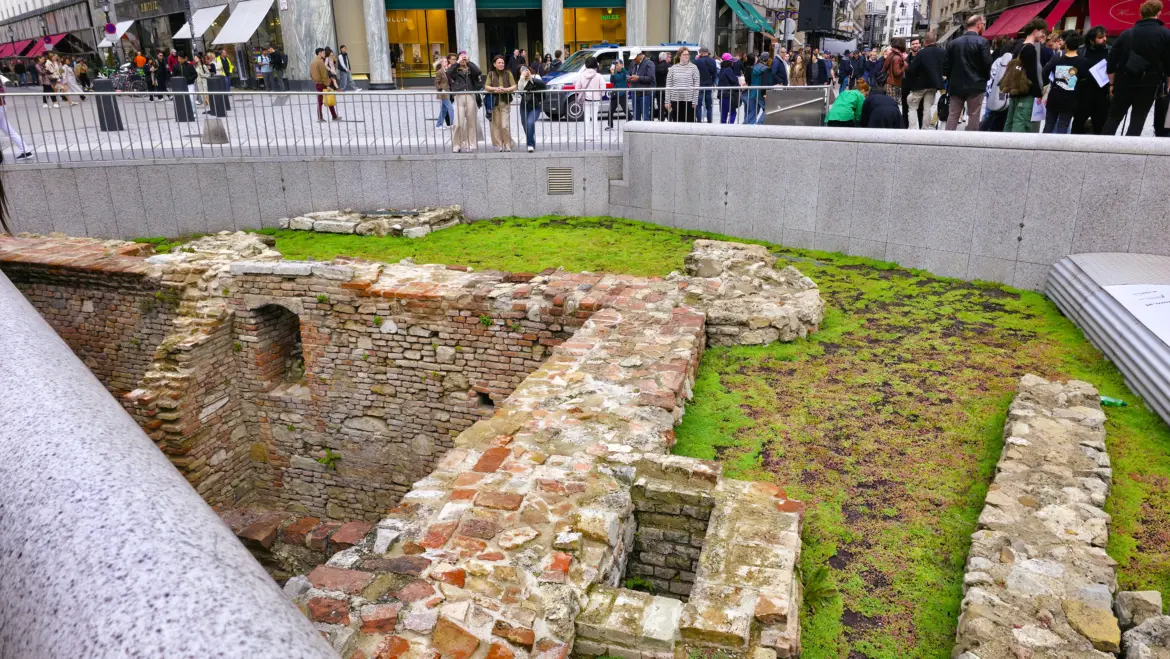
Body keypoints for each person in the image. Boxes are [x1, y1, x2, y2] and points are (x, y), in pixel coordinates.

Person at [1102, 0, 1170, 136]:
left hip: (1124, 80)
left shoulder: (1126, 34)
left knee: (1114, 116)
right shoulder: (1165, 34)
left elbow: (1111, 61)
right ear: (1158, 13)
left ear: (1141, 14)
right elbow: (1169, 63)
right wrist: (1168, 84)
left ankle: (1101, 148)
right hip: (1149, 82)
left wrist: (1112, 83)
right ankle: (1129, 151)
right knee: (1138, 118)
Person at [944, 14, 995, 130]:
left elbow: (946, 65)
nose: (984, 27)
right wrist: (984, 78)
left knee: (953, 116)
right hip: (976, 85)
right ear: (978, 25)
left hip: (956, 84)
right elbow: (987, 64)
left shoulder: (953, 43)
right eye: (983, 24)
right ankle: (970, 143)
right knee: (974, 115)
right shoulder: (983, 42)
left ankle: (946, 140)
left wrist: (951, 78)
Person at [1004, 18, 1049, 132]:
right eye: (1042, 32)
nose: (1043, 35)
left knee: (1010, 121)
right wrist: (1038, 92)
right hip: (1026, 91)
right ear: (1035, 31)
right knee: (1021, 122)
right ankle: (1016, 148)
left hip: (1015, 89)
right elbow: (1031, 73)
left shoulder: (1019, 46)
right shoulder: (1030, 49)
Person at [1041, 30, 1088, 133]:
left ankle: (1042, 147)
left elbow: (1044, 72)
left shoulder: (1057, 58)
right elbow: (1085, 79)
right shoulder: (1083, 61)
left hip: (1054, 95)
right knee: (1063, 125)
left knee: (1048, 125)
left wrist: (1048, 84)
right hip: (1070, 98)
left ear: (1065, 45)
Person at [1072, 26, 1111, 134]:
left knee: (1100, 124)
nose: (1104, 39)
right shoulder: (1081, 50)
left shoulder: (1109, 50)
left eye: (1105, 36)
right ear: (1091, 39)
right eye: (1100, 37)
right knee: (1078, 122)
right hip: (1083, 92)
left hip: (1102, 93)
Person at [906, 32, 944, 129]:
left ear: (925, 42)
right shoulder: (942, 52)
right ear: (934, 41)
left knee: (913, 107)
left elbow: (912, 70)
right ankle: (925, 129)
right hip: (933, 85)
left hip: (919, 84)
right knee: (927, 108)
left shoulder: (921, 53)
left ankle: (913, 129)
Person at [447, 51, 480, 152]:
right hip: (459, 96)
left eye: (465, 58)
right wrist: (457, 62)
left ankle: (471, 144)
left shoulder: (471, 69)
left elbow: (478, 72)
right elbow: (449, 72)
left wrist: (469, 62)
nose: (463, 60)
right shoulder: (455, 70)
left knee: (471, 122)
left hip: (470, 95)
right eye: (462, 58)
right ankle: (457, 144)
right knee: (458, 123)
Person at [484, 54, 516, 151]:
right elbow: (486, 86)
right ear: (494, 64)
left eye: (502, 62)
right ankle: (500, 145)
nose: (501, 64)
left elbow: (514, 86)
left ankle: (508, 144)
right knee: (496, 125)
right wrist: (495, 89)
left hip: (505, 102)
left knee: (504, 125)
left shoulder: (508, 73)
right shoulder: (491, 74)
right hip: (494, 103)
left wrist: (506, 90)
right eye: (499, 63)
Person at [663, 46, 700, 123]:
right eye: (684, 54)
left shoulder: (694, 68)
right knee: (677, 122)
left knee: (690, 122)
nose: (686, 56)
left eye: (688, 54)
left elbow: (697, 85)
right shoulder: (672, 68)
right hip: (675, 100)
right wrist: (667, 101)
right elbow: (668, 85)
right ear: (679, 56)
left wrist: (695, 101)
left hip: (689, 100)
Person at [0, 81, 32, 160]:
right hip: (2, 107)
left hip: (0, 106)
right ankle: (26, 151)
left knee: (10, 131)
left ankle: (26, 151)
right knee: (9, 131)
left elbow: (1, 91)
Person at [517, 65, 546, 152]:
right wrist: (522, 77)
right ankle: (531, 140)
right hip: (524, 105)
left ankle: (530, 145)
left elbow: (543, 85)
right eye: (522, 71)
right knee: (525, 124)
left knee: (530, 122)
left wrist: (531, 78)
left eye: (526, 69)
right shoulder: (521, 80)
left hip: (535, 105)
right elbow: (520, 90)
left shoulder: (536, 77)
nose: (525, 72)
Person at [577, 55, 605, 139]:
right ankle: (595, 135)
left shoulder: (581, 75)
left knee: (586, 117)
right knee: (594, 117)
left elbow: (577, 87)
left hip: (586, 99)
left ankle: (587, 135)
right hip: (595, 99)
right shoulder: (599, 76)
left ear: (586, 65)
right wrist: (600, 95)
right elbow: (603, 88)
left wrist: (581, 93)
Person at [310, 47, 339, 123]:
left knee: (320, 101)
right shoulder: (321, 62)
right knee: (326, 99)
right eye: (323, 53)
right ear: (319, 53)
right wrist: (328, 85)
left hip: (317, 83)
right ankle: (332, 116)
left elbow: (311, 74)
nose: (324, 54)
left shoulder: (313, 62)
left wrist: (315, 80)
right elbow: (324, 74)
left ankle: (328, 116)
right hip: (323, 83)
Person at [881, 38, 907, 113]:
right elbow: (897, 72)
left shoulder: (891, 55)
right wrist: (904, 67)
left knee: (889, 104)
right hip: (894, 84)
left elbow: (884, 68)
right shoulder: (897, 57)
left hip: (890, 83)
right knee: (893, 105)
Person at [628, 51, 655, 120]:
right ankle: (637, 130)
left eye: (635, 58)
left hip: (644, 94)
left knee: (645, 117)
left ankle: (645, 130)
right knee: (636, 117)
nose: (633, 60)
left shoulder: (649, 63)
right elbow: (628, 74)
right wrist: (629, 78)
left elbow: (651, 78)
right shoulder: (633, 63)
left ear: (639, 55)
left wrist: (638, 78)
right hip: (635, 92)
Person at [694, 47, 718, 123]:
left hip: (699, 84)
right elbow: (715, 73)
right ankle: (709, 120)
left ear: (702, 52)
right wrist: (713, 82)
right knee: (709, 104)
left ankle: (699, 120)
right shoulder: (713, 61)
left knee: (698, 104)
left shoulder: (698, 61)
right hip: (708, 84)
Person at [717, 54, 741, 123]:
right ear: (729, 62)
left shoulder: (722, 70)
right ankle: (730, 127)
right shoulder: (728, 70)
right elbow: (734, 81)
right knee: (733, 112)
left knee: (723, 114)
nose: (732, 62)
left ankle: (723, 128)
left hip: (722, 95)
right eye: (731, 61)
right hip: (728, 95)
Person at [607, 59, 628, 129]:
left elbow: (626, 74)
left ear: (622, 65)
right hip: (615, 95)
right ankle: (610, 125)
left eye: (618, 65)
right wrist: (612, 73)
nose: (617, 67)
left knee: (626, 110)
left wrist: (621, 67)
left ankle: (630, 123)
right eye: (616, 66)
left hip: (622, 94)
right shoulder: (615, 74)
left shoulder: (624, 72)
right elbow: (611, 81)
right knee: (610, 111)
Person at [434, 55, 454, 128]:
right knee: (450, 108)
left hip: (447, 91)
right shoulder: (439, 72)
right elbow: (436, 82)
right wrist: (440, 89)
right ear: (441, 63)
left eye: (446, 61)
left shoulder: (446, 70)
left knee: (444, 110)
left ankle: (438, 125)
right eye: (445, 61)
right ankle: (453, 124)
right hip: (443, 93)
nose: (446, 62)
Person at [654, 52, 671, 120]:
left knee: (660, 105)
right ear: (666, 58)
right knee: (669, 105)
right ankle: (670, 118)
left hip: (659, 89)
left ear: (659, 58)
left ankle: (661, 118)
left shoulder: (657, 67)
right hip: (668, 90)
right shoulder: (670, 66)